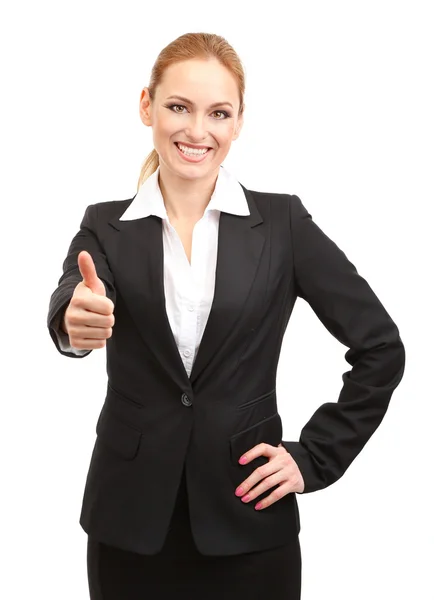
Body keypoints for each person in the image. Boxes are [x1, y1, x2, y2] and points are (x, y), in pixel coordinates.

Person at [47, 32, 406, 600]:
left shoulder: (283, 225)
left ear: (238, 122)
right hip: (130, 524)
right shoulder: (105, 226)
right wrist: (74, 322)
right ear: (147, 106)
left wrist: (313, 457)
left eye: (218, 112)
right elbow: (75, 295)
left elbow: (382, 348)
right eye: (178, 107)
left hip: (250, 521)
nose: (197, 130)